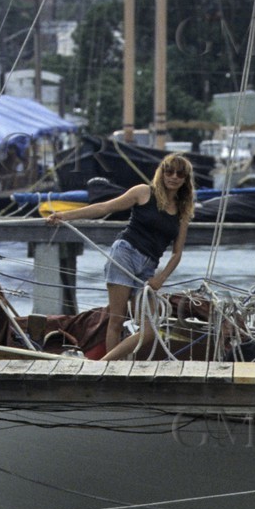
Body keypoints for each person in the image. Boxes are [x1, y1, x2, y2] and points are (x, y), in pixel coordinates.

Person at [45, 153, 194, 359]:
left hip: (149, 267)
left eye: (180, 174)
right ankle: (111, 370)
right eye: (169, 171)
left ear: (186, 180)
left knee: (150, 329)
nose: (174, 177)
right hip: (125, 254)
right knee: (117, 319)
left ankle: (105, 365)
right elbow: (104, 207)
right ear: (162, 173)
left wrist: (161, 278)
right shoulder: (143, 192)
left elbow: (177, 253)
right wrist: (65, 216)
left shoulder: (182, 211)